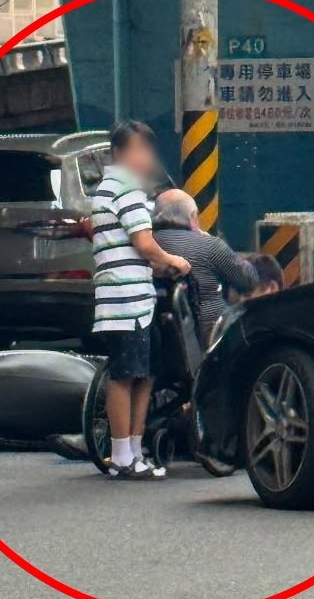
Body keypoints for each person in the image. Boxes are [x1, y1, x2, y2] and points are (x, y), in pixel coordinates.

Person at [90, 121, 191, 479]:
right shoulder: (126, 189)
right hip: (127, 298)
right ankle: (121, 455)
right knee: (127, 375)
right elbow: (145, 244)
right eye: (136, 150)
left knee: (143, 375)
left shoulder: (105, 188)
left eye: (145, 150)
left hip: (127, 295)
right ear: (118, 153)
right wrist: (174, 261)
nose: (143, 158)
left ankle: (133, 450)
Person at [151, 189, 259, 343]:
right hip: (208, 336)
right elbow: (249, 279)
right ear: (192, 217)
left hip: (156, 335)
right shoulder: (208, 245)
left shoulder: (143, 247)